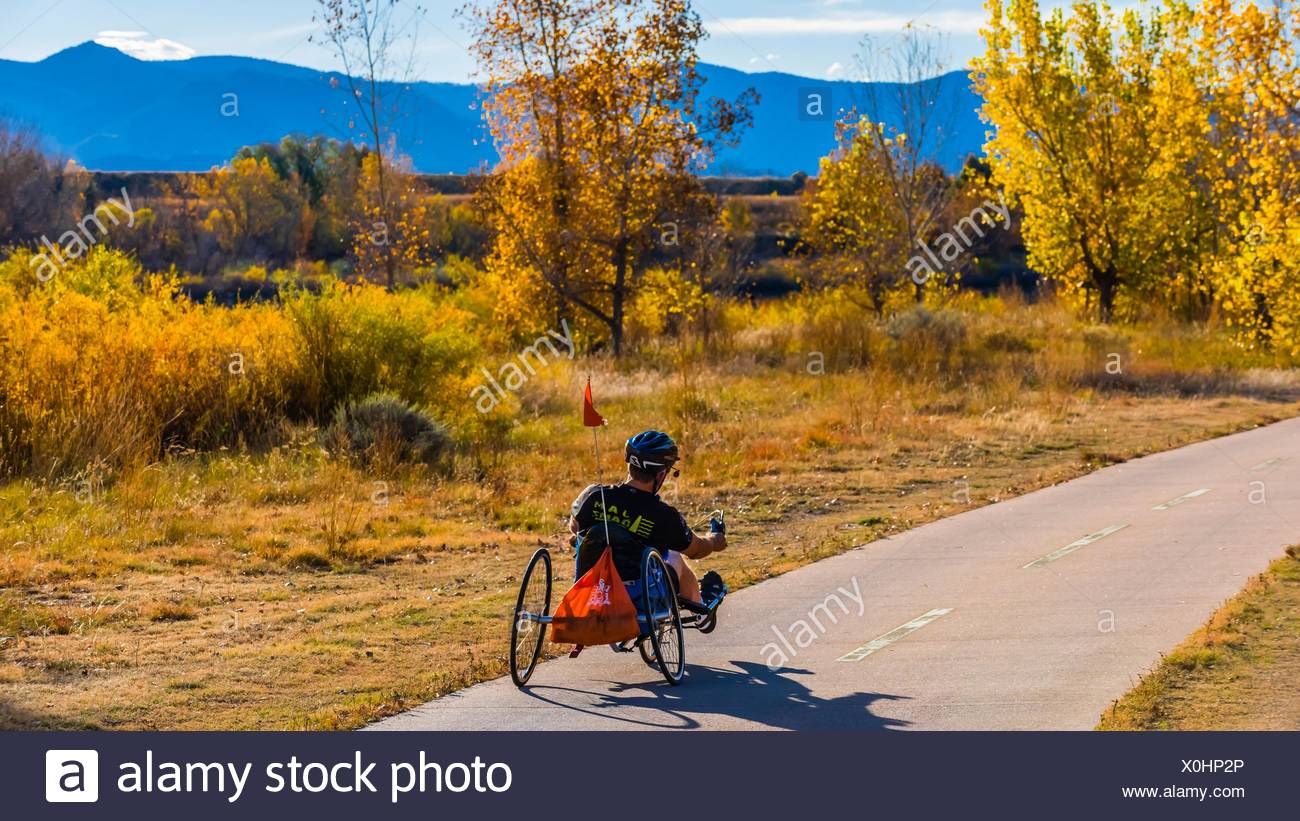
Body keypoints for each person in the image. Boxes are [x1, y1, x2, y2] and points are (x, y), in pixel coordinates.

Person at [568, 430, 726, 603]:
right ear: (660, 475)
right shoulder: (664, 516)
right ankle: (701, 611)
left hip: (590, 588)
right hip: (640, 596)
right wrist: (714, 540)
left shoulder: (593, 495)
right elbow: (696, 550)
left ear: (629, 464)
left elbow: (575, 527)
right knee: (674, 555)